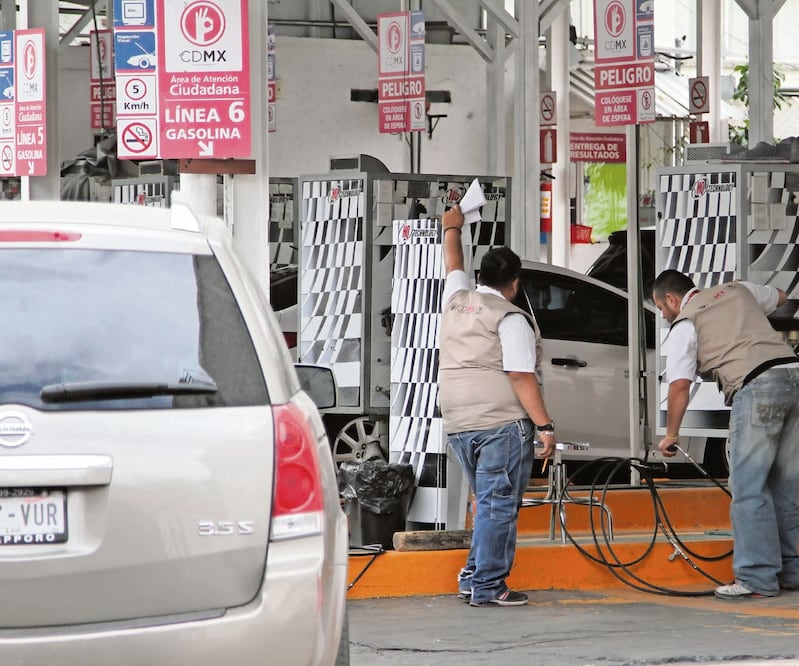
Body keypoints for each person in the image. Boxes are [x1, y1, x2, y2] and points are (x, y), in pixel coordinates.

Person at [652, 269, 799, 600]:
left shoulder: (685, 323)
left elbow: (679, 385)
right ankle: (790, 572)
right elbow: (779, 295)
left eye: (661, 308)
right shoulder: (738, 289)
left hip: (758, 386)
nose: (663, 314)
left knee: (748, 486)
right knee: (785, 484)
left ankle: (757, 578)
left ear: (672, 300)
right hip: (793, 375)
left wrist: (671, 434)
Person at [437, 203, 556, 607]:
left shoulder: (456, 300)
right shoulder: (510, 317)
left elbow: (454, 263)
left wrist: (452, 226)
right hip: (500, 424)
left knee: (486, 502)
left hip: (458, 422)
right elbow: (521, 376)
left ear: (480, 276)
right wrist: (545, 426)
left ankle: (473, 578)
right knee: (498, 506)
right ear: (515, 283)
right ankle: (488, 585)